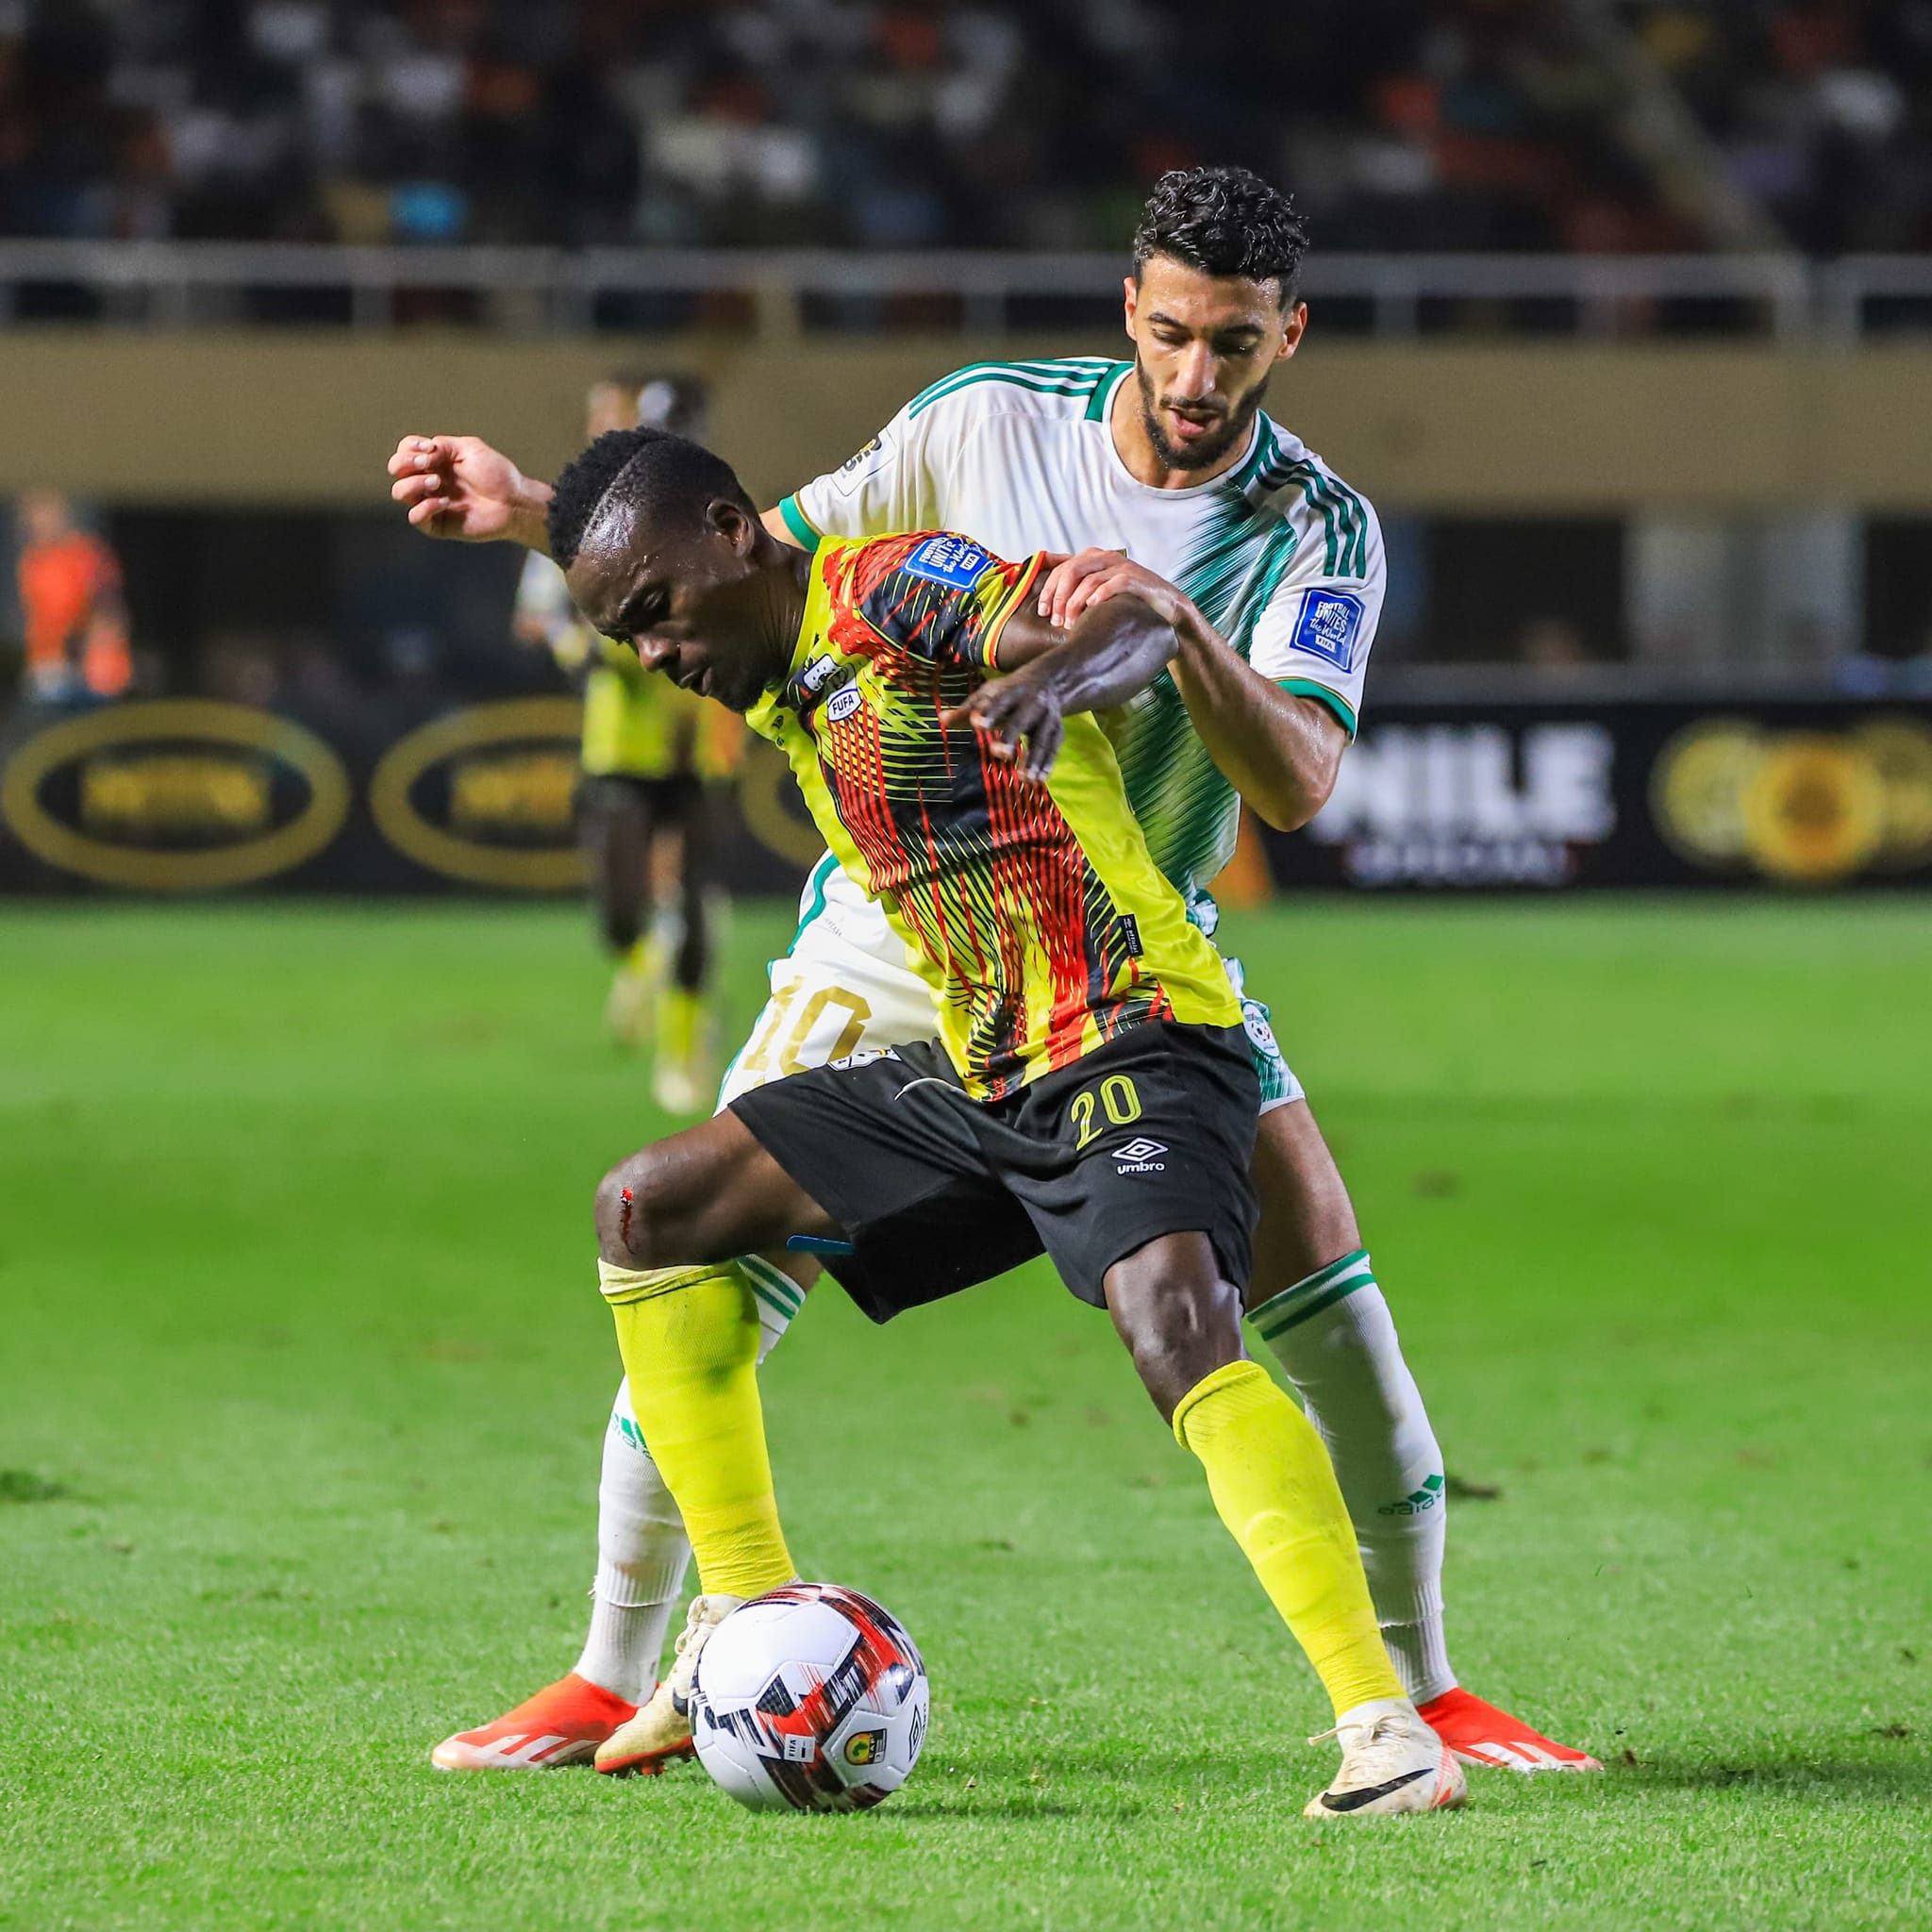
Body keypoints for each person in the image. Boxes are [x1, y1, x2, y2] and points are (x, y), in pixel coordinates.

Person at [389, 166, 1596, 1776]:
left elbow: (1299, 780)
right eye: (1171, 332)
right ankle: (637, 1667)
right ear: (1129, 310)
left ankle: (1417, 1692)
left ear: (1287, 335)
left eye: (1233, 343)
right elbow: (740, 554)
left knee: (1326, 1301)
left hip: (1124, 945)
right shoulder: (982, 421)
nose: (1195, 374)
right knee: (696, 1252)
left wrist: (1144, 638)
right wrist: (533, 506)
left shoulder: (1315, 530)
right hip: (897, 930)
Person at [553, 425, 1468, 1816]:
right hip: (987, 1078)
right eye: (625, 636)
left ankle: (1386, 1728)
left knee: (1176, 1325)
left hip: (1137, 1032)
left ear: (736, 534)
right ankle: (740, 1613)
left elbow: (1129, 624)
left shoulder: (891, 586)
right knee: (649, 1207)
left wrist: (1054, 681)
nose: (654, 651)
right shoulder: (781, 680)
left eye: (657, 609)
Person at [512, 376, 741, 1106]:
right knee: (619, 908)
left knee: (695, 904)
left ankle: (684, 1050)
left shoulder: (723, 511)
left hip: (698, 740)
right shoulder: (595, 509)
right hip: (621, 740)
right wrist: (580, 648)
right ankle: (637, 960)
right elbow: (545, 614)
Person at [15, 492, 131, 705]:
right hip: (48, 670)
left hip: (90, 672)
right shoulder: (30, 561)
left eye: (45, 513)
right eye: (33, 516)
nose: (38, 523)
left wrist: (87, 657)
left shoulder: (85, 554)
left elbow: (109, 610)